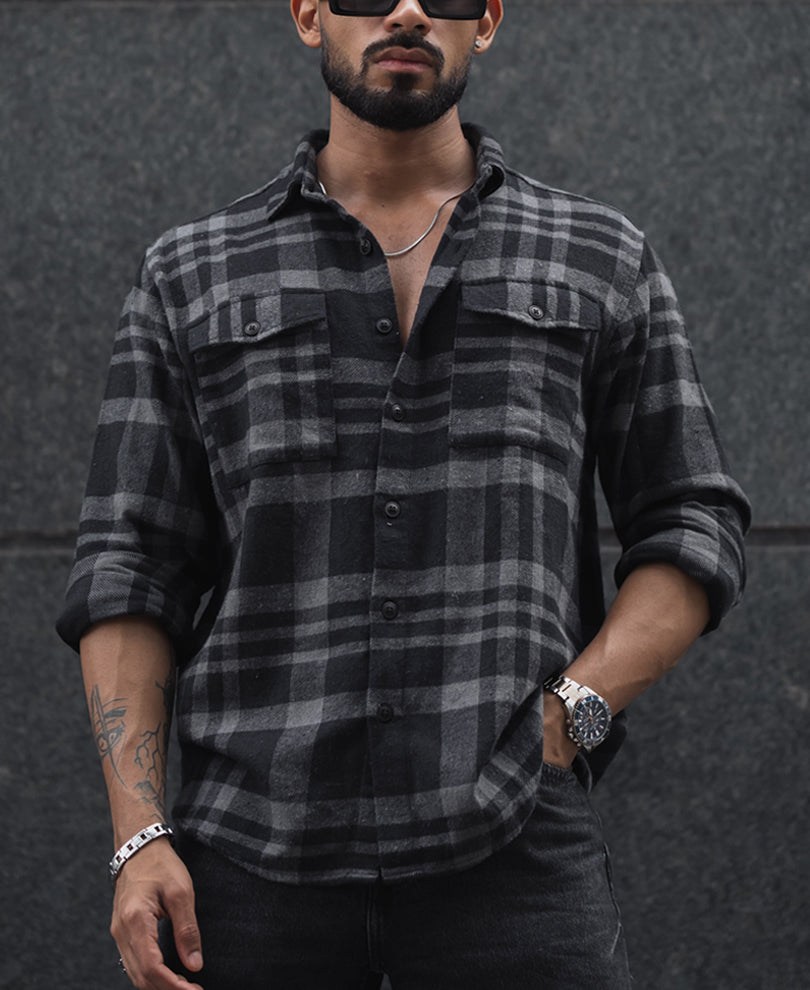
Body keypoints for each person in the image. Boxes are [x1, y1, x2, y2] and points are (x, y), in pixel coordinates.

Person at [57, 1, 750, 988]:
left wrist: (572, 719)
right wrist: (139, 835)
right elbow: (132, 565)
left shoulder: (597, 256)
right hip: (249, 861)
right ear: (308, 14)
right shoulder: (191, 273)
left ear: (489, 20)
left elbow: (693, 520)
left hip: (514, 845)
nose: (411, 9)